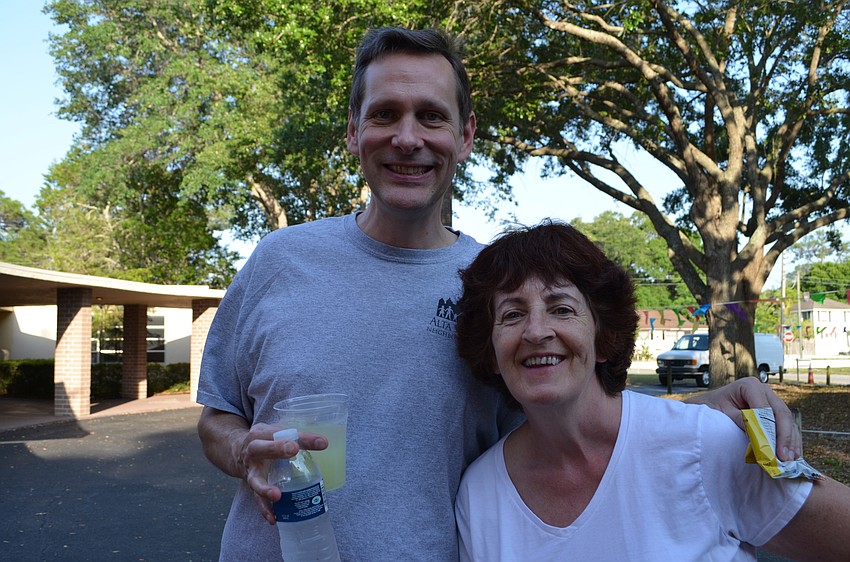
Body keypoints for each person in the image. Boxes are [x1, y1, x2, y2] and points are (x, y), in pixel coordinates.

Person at [196, 27, 802, 560]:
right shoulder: (280, 261)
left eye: (431, 116)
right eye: (384, 115)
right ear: (355, 133)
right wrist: (241, 451)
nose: (408, 138)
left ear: (465, 136)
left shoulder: (497, 290)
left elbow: (567, 419)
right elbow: (217, 416)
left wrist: (700, 413)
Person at [454, 221, 850, 561]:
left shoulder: (706, 442)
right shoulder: (479, 495)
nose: (536, 331)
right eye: (512, 314)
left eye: (561, 309)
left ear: (603, 337)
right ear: (489, 351)